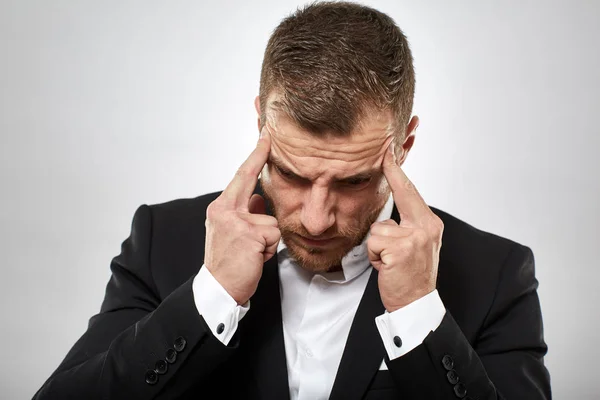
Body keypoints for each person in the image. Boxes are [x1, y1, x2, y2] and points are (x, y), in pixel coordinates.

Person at [33, 1, 551, 399]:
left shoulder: (495, 273)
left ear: (404, 145)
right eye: (290, 173)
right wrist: (210, 297)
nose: (316, 218)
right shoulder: (164, 240)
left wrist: (419, 316)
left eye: (352, 182)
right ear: (262, 124)